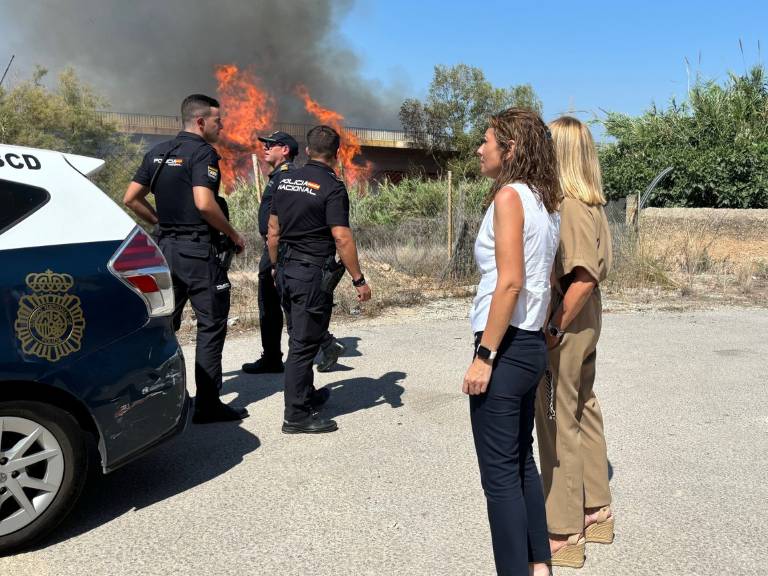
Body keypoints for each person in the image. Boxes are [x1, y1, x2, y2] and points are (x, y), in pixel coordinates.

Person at [463, 108, 560, 576]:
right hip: (529, 347)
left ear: (511, 148)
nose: (480, 149)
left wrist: (484, 356)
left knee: (499, 479)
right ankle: (539, 566)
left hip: (504, 347)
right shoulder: (544, 201)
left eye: (486, 141)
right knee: (521, 463)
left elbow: (511, 283)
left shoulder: (509, 198)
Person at [123, 94, 248, 424]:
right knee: (210, 325)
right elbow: (205, 204)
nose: (221, 126)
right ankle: (208, 405)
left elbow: (130, 197)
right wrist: (234, 235)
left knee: (165, 325)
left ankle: (157, 400)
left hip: (164, 252)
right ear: (201, 121)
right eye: (218, 121)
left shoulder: (159, 152)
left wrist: (159, 223)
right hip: (197, 252)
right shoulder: (203, 152)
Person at [534, 116, 614, 569]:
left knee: (556, 416)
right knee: (583, 406)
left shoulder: (570, 205)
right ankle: (595, 509)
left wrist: (552, 328)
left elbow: (582, 276)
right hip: (585, 319)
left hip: (569, 318)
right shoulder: (592, 203)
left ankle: (564, 532)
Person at [267, 125, 371, 434]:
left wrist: (275, 268)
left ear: (308, 149)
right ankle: (296, 415)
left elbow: (273, 232)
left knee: (298, 336)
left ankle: (306, 395)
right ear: (337, 152)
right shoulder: (332, 186)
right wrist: (358, 279)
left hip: (285, 271)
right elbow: (341, 237)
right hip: (311, 275)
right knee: (304, 344)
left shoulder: (283, 180)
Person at [241, 131, 346, 374]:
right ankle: (285, 355)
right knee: (277, 305)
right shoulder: (278, 176)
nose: (265, 148)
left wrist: (276, 252)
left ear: (285, 149)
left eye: (270, 144)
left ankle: (297, 357)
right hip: (277, 248)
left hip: (284, 251)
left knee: (286, 306)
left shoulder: (287, 177)